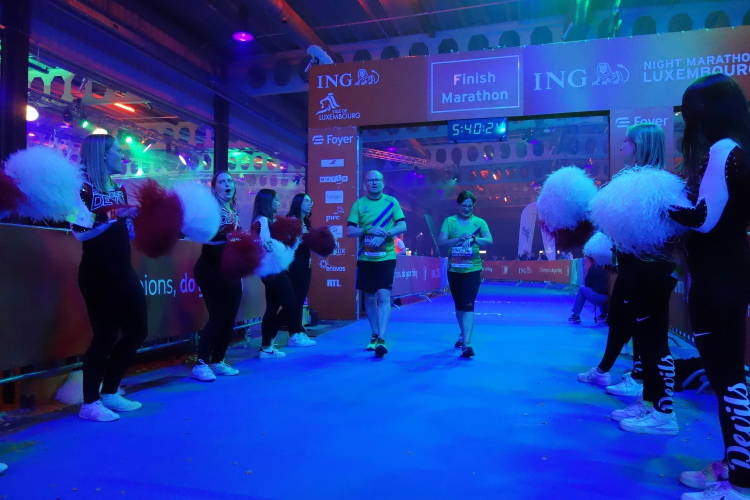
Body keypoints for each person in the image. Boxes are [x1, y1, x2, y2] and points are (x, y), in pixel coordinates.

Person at [668, 74, 750, 500]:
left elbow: (703, 218)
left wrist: (658, 205)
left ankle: (739, 483)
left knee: (728, 379)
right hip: (729, 276)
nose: (686, 118)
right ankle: (734, 465)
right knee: (728, 377)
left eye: (688, 109)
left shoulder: (722, 149)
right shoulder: (740, 148)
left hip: (717, 280)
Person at [578, 123, 679, 435]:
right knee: (645, 340)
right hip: (638, 269)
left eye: (627, 141)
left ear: (639, 145)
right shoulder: (640, 184)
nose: (621, 146)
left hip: (651, 271)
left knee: (654, 341)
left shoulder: (659, 186)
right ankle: (649, 401)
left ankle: (664, 411)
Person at [71, 134, 147, 422]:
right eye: (118, 151)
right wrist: (115, 215)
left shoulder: (118, 189)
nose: (122, 156)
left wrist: (135, 223)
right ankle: (89, 402)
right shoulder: (81, 188)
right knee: (104, 335)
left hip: (123, 268)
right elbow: (79, 231)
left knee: (138, 330)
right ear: (102, 155)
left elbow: (124, 231)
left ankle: (111, 391)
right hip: (97, 271)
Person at [346, 170, 407, 357]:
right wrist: (367, 230)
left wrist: (385, 234)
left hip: (386, 257)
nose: (374, 183)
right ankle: (374, 334)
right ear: (365, 184)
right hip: (365, 258)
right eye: (370, 180)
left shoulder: (391, 202)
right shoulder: (359, 204)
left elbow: (402, 225)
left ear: (383, 183)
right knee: (369, 298)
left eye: (377, 180)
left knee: (383, 296)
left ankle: (381, 338)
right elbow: (349, 231)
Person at [191, 172, 243, 382]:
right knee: (218, 316)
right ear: (214, 188)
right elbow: (208, 240)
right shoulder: (211, 210)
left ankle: (218, 360)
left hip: (230, 270)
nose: (227, 184)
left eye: (229, 181)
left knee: (230, 317)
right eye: (222, 181)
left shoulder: (234, 212)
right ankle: (201, 364)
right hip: (211, 269)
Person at [438, 190, 493, 357]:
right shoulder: (449, 221)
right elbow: (441, 242)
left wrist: (474, 239)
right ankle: (462, 334)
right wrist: (457, 239)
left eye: (470, 206)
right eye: (464, 206)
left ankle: (467, 344)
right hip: (454, 269)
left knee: (469, 304)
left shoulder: (480, 222)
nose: (467, 209)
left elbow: (489, 241)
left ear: (474, 206)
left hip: (472, 269)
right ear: (458, 205)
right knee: (459, 305)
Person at [253, 189, 296, 359]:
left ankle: (266, 346)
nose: (279, 203)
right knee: (291, 303)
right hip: (272, 269)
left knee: (272, 306)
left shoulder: (262, 220)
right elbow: (266, 245)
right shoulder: (263, 221)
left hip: (269, 269)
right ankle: (268, 339)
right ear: (268, 202)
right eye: (276, 200)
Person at [284, 193, 317, 348]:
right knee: (295, 299)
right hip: (293, 264)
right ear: (298, 203)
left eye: (311, 201)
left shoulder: (306, 222)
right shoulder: (291, 221)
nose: (310, 203)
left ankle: (298, 330)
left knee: (301, 298)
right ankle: (293, 334)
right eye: (306, 201)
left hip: (305, 263)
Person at [568, 256, 609, 324]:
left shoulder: (594, 268)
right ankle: (603, 315)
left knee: (582, 288)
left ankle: (575, 315)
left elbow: (587, 284)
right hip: (611, 298)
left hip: (598, 298)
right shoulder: (613, 269)